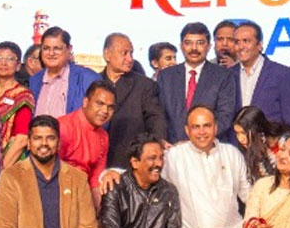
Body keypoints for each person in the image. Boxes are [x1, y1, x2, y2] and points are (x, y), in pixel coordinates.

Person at [156, 22, 236, 144]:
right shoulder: (166, 76)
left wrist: (196, 141)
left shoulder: (223, 76)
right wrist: (163, 141)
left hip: (209, 147)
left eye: (200, 43)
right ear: (181, 46)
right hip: (173, 148)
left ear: (209, 46)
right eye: (188, 43)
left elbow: (225, 116)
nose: (194, 48)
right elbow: (159, 115)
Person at [101, 33, 165, 168]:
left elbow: (156, 121)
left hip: (131, 163)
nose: (130, 59)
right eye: (124, 53)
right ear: (107, 54)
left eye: (131, 53)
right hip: (98, 162)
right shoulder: (93, 82)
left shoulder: (145, 86)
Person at [231, 21, 290, 130]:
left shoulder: (282, 74)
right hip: (236, 140)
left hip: (271, 139)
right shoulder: (228, 75)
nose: (241, 46)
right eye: (237, 42)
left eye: (246, 41)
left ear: (259, 45)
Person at [57, 79, 115, 195]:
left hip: (84, 194)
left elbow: (96, 180)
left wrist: (99, 207)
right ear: (85, 102)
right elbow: (49, 172)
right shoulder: (63, 127)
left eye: (110, 107)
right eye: (100, 104)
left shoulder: (103, 137)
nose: (105, 111)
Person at [0, 41, 35, 169]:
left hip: (10, 162)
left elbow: (22, 138)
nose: (4, 63)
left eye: (10, 59)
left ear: (18, 66)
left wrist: (1, 170)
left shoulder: (23, 95)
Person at [30, 27, 99, 118]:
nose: (51, 53)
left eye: (57, 48)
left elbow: (100, 116)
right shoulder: (34, 81)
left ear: (69, 49)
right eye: (46, 48)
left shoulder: (87, 79)